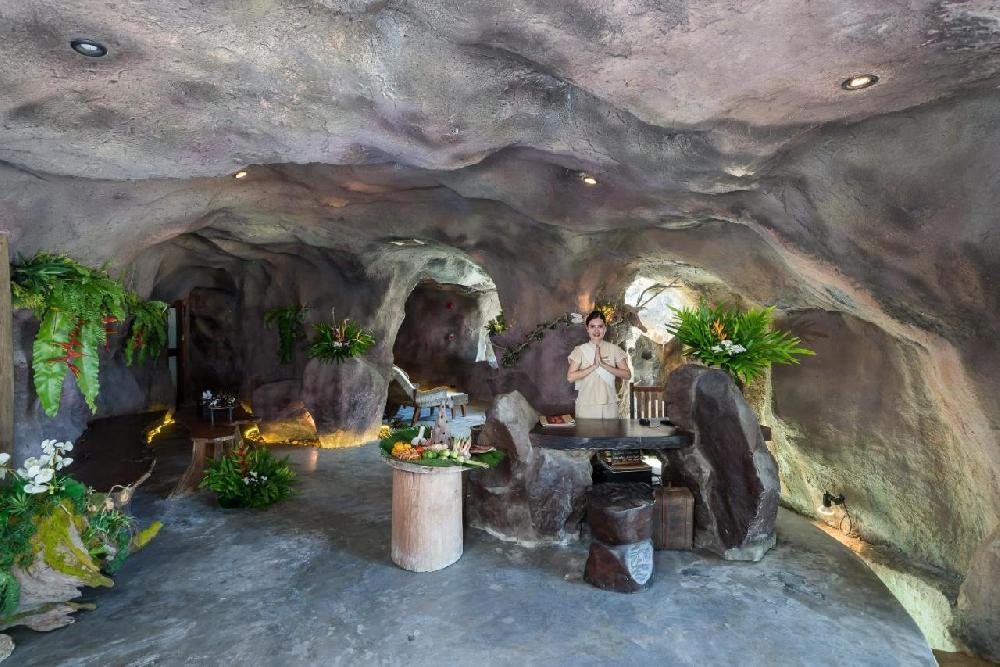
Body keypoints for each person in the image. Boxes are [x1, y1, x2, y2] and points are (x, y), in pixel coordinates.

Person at [567, 310, 631, 419]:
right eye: (592, 326)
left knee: (610, 431)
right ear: (587, 328)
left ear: (605, 328)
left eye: (600, 326)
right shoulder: (579, 350)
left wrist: (604, 365)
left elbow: (627, 375)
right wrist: (593, 366)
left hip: (609, 406)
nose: (596, 330)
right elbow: (570, 378)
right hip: (585, 407)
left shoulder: (614, 349)